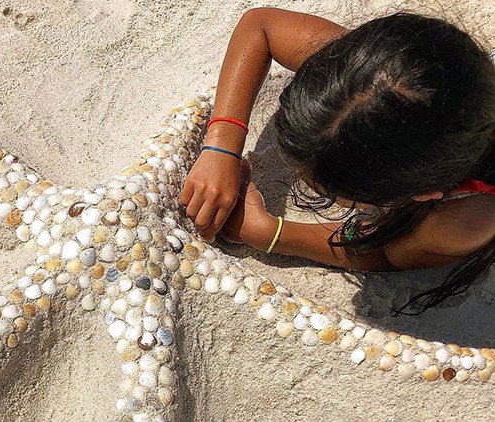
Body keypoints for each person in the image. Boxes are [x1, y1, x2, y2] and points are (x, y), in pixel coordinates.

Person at [180, 8, 495, 312]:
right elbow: (260, 25)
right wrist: (222, 144)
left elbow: (386, 252)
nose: (301, 177)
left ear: (424, 194)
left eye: (330, 192)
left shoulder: (470, 220)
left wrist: (268, 233)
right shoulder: (382, 83)